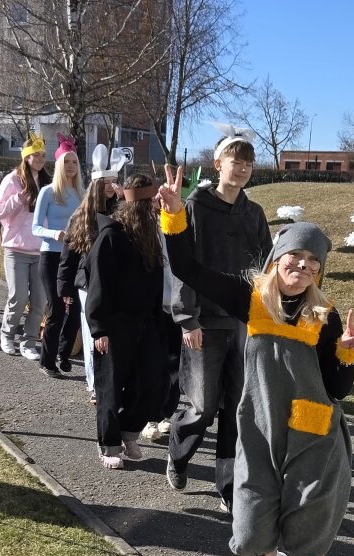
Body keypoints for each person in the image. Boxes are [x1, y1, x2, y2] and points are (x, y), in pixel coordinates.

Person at [158, 165, 354, 556]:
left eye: (313, 264)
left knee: (307, 533)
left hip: (314, 437)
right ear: (277, 259)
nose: (303, 269)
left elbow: (338, 390)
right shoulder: (251, 299)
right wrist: (174, 217)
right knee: (250, 528)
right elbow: (188, 268)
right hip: (259, 428)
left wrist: (347, 353)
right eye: (295, 259)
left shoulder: (324, 317)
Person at [166, 128, 272, 512]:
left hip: (243, 324)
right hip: (204, 323)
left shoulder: (254, 213)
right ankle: (178, 452)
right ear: (218, 164)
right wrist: (187, 318)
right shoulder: (195, 207)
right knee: (203, 407)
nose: (242, 169)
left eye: (248, 164)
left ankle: (228, 484)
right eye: (235, 161)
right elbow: (181, 265)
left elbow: (267, 268)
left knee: (236, 409)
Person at [84, 172, 167, 469]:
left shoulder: (151, 238)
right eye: (149, 204)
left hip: (146, 323)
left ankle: (129, 432)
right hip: (115, 324)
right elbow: (98, 285)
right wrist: (99, 329)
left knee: (149, 383)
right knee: (110, 386)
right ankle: (108, 444)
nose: (154, 209)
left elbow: (157, 283)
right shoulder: (111, 236)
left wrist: (157, 322)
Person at [57, 150, 120, 403]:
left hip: (115, 283)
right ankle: (95, 384)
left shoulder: (121, 212)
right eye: (106, 183)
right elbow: (69, 254)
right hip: (88, 283)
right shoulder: (81, 217)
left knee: (112, 335)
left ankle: (112, 382)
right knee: (91, 332)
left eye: (113, 182)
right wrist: (64, 287)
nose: (111, 187)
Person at [0, 132, 49, 359]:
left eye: (43, 155)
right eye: (36, 154)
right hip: (16, 250)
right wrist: (18, 199)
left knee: (39, 301)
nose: (41, 158)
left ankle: (29, 342)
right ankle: (7, 335)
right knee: (19, 297)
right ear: (26, 156)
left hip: (41, 250)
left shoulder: (47, 181)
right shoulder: (13, 179)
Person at [31, 134, 84, 377]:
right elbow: (35, 227)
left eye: (74, 162)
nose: (71, 166)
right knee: (57, 309)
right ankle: (47, 361)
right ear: (59, 165)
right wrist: (55, 234)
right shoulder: (48, 192)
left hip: (74, 258)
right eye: (67, 162)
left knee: (75, 312)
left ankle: (64, 353)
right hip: (51, 257)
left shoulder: (81, 193)